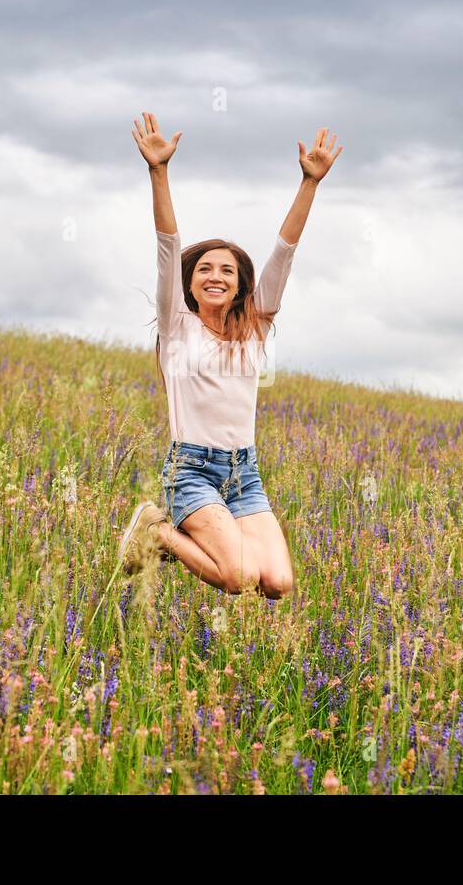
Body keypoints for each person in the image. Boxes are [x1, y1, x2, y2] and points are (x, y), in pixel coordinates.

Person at [117, 111, 343, 599]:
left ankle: (166, 536)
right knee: (238, 578)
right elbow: (167, 244)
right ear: (190, 281)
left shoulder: (254, 330)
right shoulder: (177, 325)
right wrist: (159, 171)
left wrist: (309, 183)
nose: (214, 275)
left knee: (278, 584)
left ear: (242, 284)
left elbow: (284, 253)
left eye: (226, 270)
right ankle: (156, 531)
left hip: (245, 473)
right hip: (191, 470)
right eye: (204, 269)